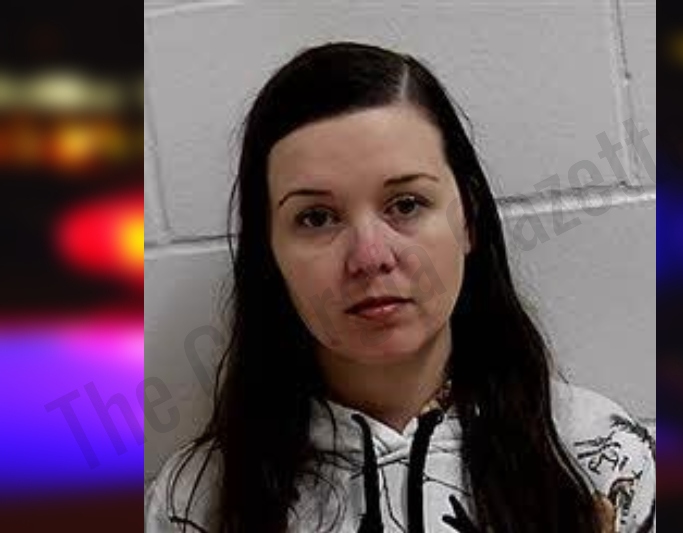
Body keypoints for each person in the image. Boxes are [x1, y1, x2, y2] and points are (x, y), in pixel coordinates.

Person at [145, 41, 655, 533]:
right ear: (270, 254)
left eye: (406, 204)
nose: (370, 257)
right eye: (317, 217)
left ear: (469, 219)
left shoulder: (599, 458)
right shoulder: (196, 503)